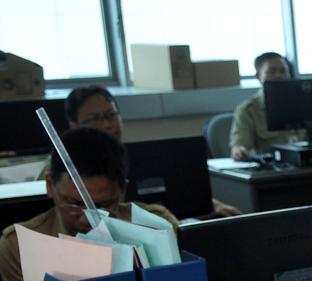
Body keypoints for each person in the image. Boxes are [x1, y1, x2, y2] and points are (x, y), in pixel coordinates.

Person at [0, 128, 180, 281]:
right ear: (50, 185)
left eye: (104, 206)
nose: (87, 219)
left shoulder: (156, 227)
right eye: (75, 204)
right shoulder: (18, 246)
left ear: (123, 191)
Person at [57, 85, 241, 217]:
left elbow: (178, 191)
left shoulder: (137, 156)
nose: (106, 124)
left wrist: (210, 204)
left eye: (111, 115)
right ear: (74, 125)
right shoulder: (64, 167)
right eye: (94, 119)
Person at [229, 52, 294, 159]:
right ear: (258, 76)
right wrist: (239, 150)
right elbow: (240, 146)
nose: (279, 75)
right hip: (272, 169)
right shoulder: (247, 110)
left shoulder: (300, 104)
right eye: (272, 71)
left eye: (283, 71)